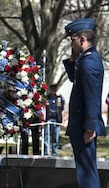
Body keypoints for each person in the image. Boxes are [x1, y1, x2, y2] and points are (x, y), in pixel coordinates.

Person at [63, 18, 106, 188]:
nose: (70, 44)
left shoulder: (88, 62)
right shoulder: (85, 59)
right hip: (81, 125)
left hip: (84, 127)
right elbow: (74, 78)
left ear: (82, 39)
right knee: (85, 171)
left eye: (72, 40)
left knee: (87, 173)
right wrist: (72, 59)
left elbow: (92, 96)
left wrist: (89, 128)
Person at [43, 84, 65, 156]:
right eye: (52, 88)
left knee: (55, 138)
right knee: (47, 137)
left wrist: (63, 120)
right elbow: (43, 109)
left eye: (54, 88)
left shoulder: (59, 99)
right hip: (48, 120)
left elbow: (62, 110)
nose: (53, 90)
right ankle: (46, 153)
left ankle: (54, 153)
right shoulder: (46, 98)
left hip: (57, 120)